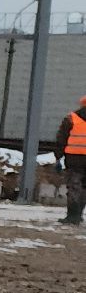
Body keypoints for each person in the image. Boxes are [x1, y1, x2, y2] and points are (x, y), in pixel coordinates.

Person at [59, 95, 86, 225]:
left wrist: (57, 156)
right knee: (84, 188)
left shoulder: (71, 118)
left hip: (74, 159)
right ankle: (78, 214)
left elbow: (61, 138)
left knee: (74, 187)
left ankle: (73, 215)